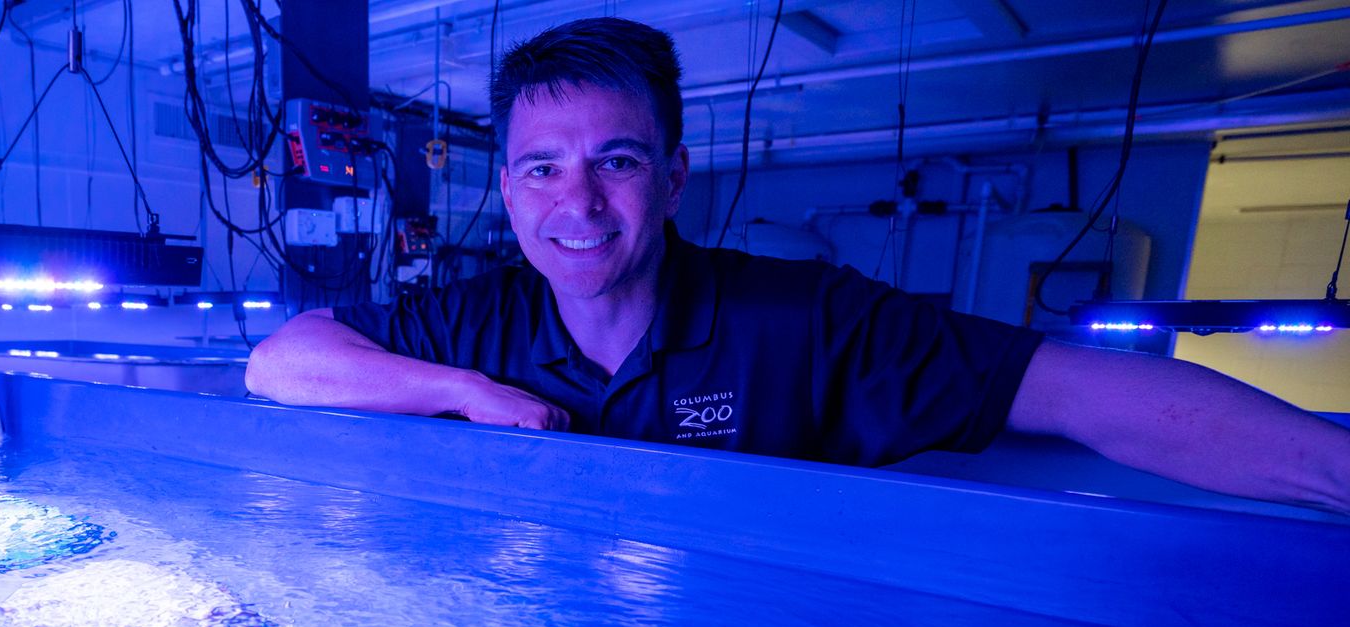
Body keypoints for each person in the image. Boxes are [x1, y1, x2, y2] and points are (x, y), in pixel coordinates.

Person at [246, 17, 1350, 515]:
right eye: (539, 170)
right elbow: (280, 366)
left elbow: (1078, 390)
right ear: (509, 188)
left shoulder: (807, 321)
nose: (575, 204)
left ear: (675, 177)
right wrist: (468, 395)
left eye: (615, 161)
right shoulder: (471, 327)